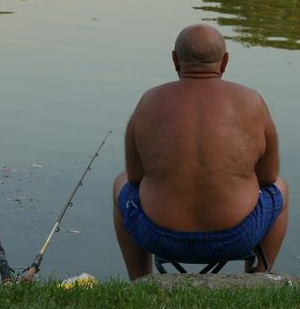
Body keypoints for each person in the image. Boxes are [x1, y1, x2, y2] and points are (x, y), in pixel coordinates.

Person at [112, 24, 289, 279]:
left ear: (175, 59)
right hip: (236, 237)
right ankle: (260, 278)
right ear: (225, 61)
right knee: (280, 187)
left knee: (121, 183)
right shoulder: (252, 101)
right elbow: (268, 177)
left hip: (158, 236)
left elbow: (135, 177)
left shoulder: (149, 101)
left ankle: (139, 280)